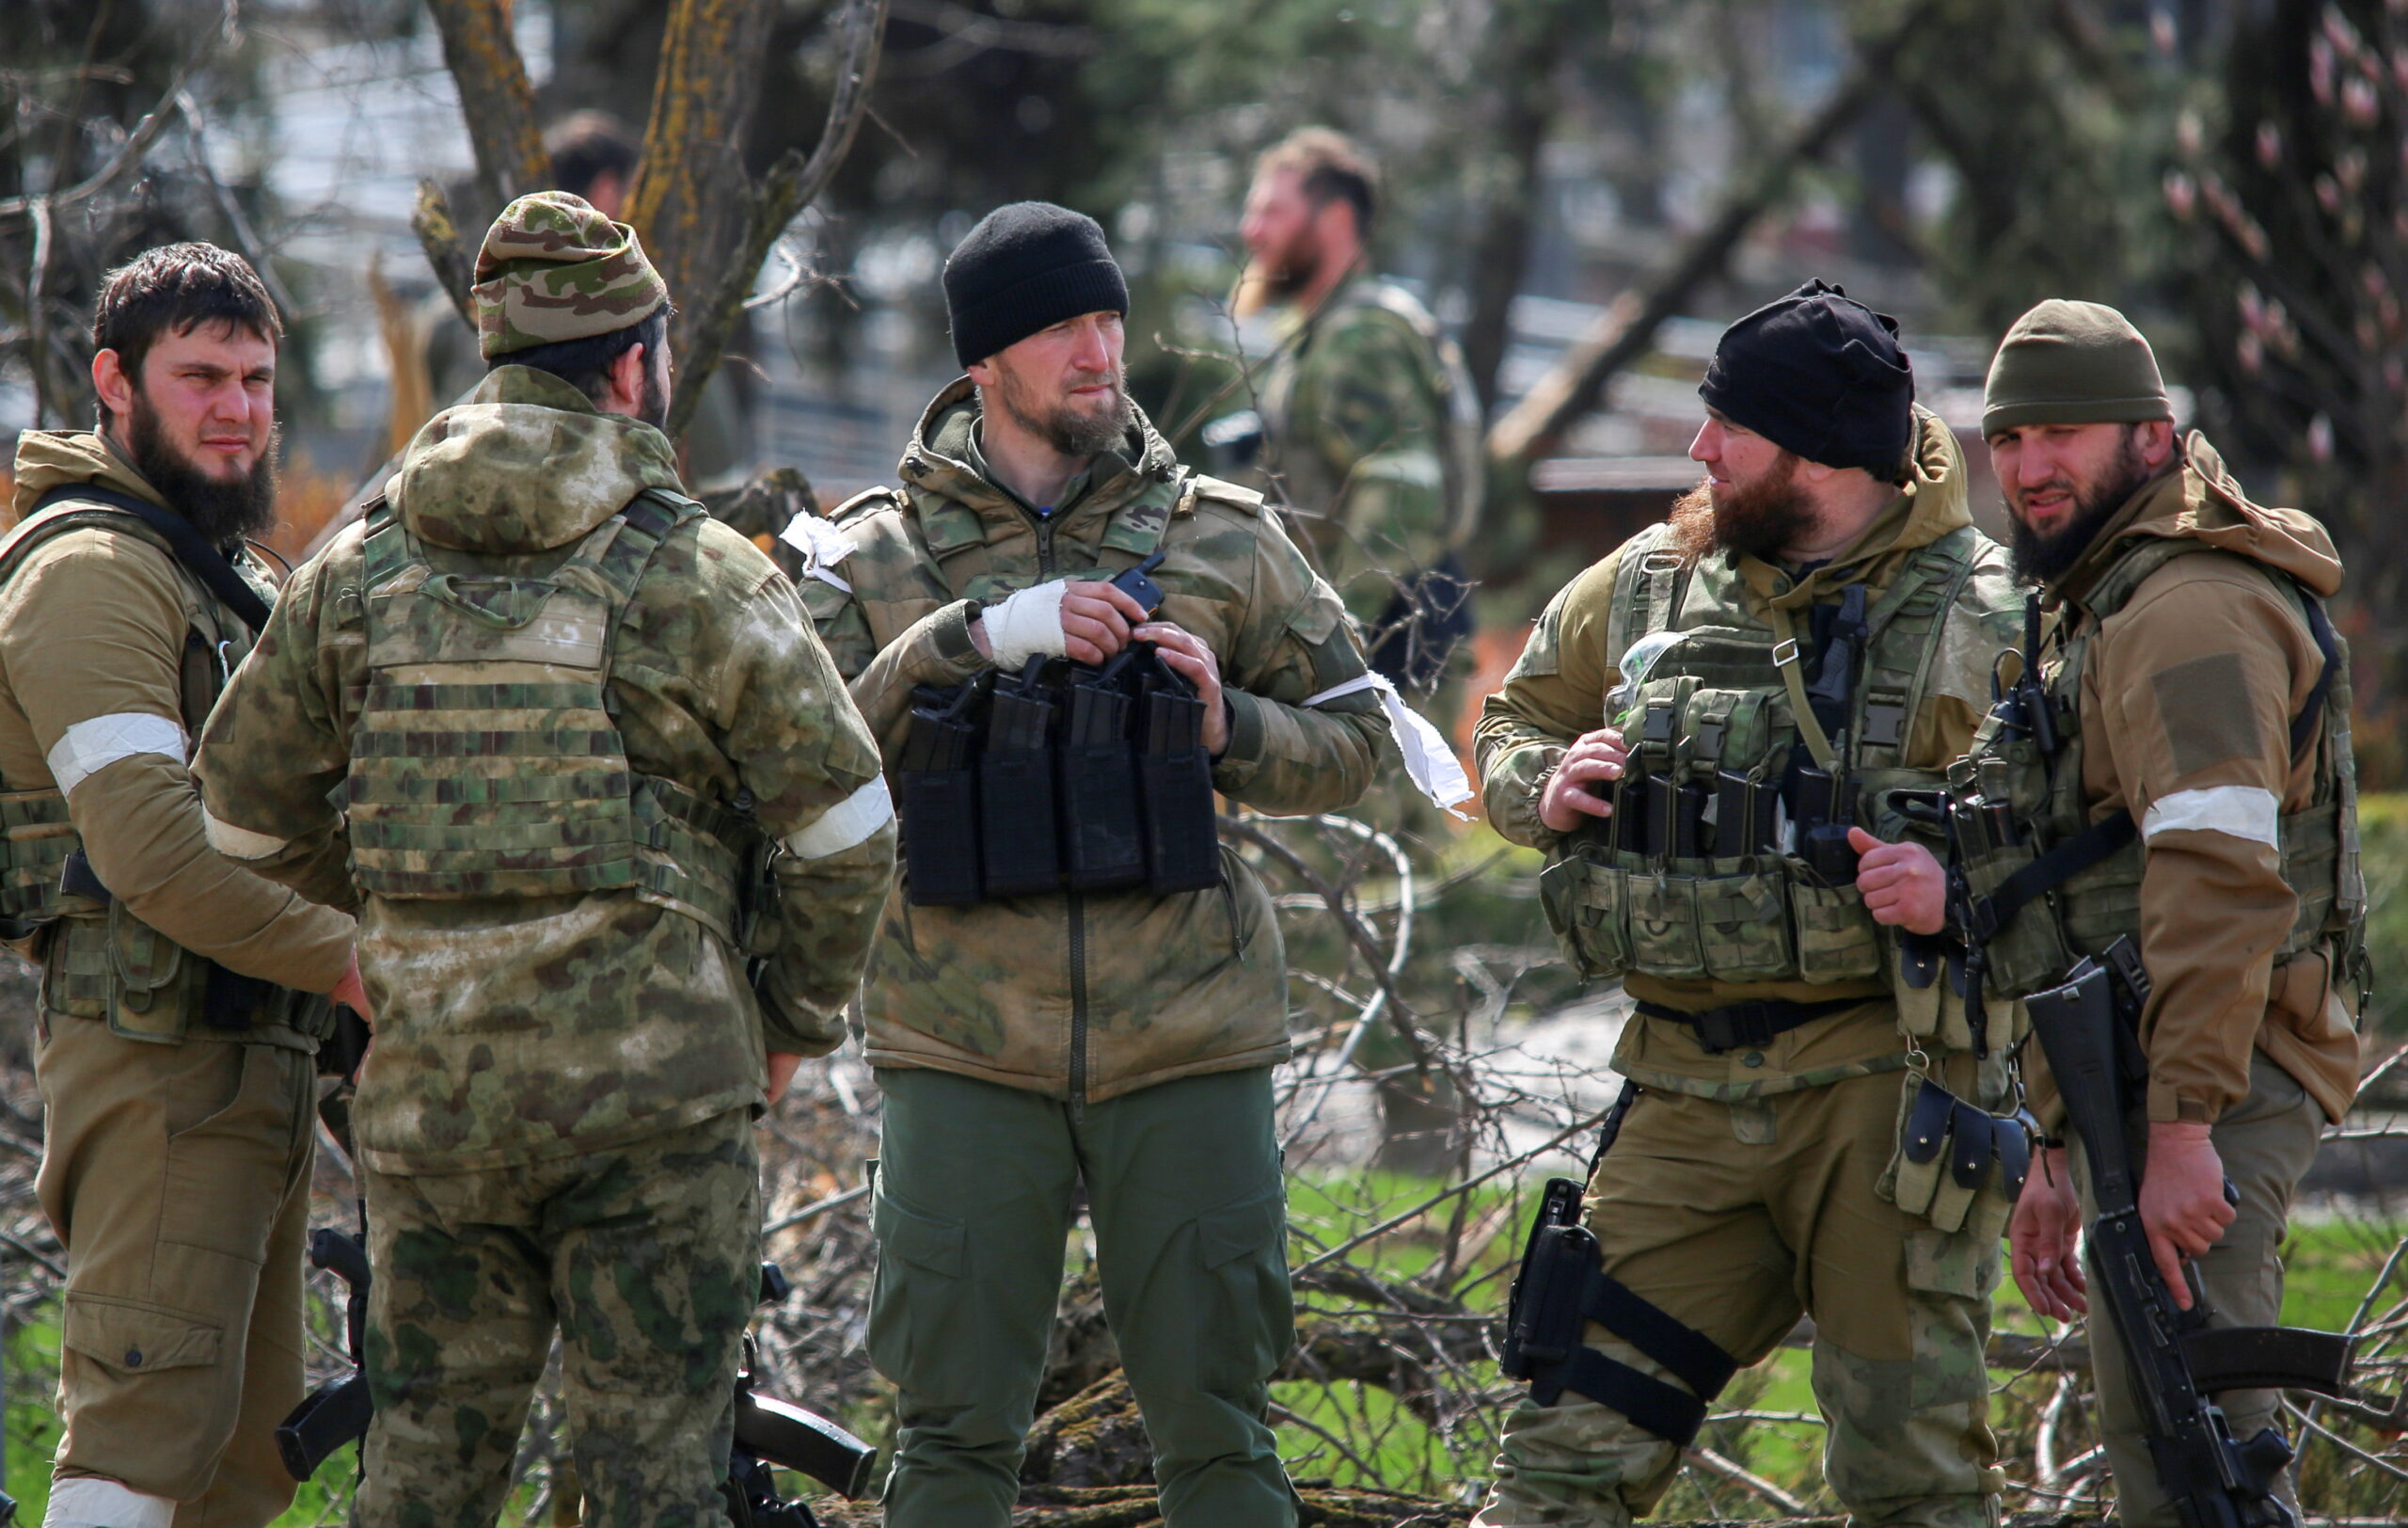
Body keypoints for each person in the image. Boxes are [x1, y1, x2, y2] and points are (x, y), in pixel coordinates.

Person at [189, 192, 895, 1526]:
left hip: (433, 1111)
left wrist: (397, 941)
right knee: (654, 1490)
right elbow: (847, 829)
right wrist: (788, 1022)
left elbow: (239, 817)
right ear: (635, 364)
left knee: (420, 1488)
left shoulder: (358, 570)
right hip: (659, 1116)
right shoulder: (696, 571)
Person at [796, 201, 1386, 1528]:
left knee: (1223, 1445)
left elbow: (1363, 741)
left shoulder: (1223, 535)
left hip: (1186, 1040)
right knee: (947, 1449)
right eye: (1061, 324)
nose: (1098, 347)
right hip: (962, 1048)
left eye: (1109, 317)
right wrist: (973, 638)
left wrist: (1235, 723)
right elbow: (797, 765)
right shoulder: (871, 556)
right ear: (986, 360)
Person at [1471, 280, 2025, 1528]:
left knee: (1913, 1481)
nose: (1697, 448)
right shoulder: (1654, 579)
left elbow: (2092, 855)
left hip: (1883, 1102)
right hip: (1679, 1102)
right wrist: (1539, 784)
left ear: (1818, 454)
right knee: (1557, 1457)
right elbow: (1512, 718)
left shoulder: (1988, 618)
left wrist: (1962, 886)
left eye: (1728, 425)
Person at [1953, 301, 2362, 1525]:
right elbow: (2089, 886)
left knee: (2211, 1471)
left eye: (2061, 432)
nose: (2028, 469)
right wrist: (2067, 1143)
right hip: (2143, 1089)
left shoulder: (2185, 610)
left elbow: (2219, 879)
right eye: (2009, 438)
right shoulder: (2102, 594)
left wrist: (2182, 1126)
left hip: (2215, 1086)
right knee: (2165, 1459)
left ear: (2148, 434)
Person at [0, 243, 366, 1528]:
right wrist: (358, 968)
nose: (238, 410)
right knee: (137, 1456)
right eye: (200, 376)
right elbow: (151, 850)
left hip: (252, 1060)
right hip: (158, 1073)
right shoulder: (90, 575)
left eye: (258, 380)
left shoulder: (226, 578)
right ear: (115, 382)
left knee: (235, 1476)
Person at [1229, 127, 1485, 701]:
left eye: (1272, 210)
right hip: (1375, 649)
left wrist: (1326, 649)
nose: (1252, 230)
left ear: (1336, 219)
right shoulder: (1328, 331)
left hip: (1383, 655)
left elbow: (1401, 492)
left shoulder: (1360, 336)